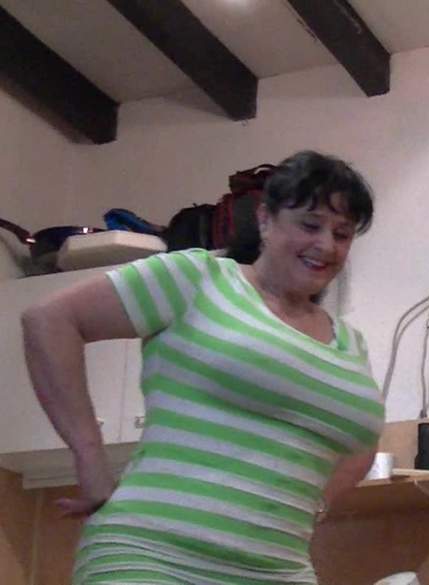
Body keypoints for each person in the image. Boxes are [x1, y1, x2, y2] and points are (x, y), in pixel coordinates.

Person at [21, 150, 384, 584]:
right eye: (310, 225)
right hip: (152, 555)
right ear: (265, 220)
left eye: (342, 234)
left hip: (279, 570)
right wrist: (89, 456)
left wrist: (316, 506)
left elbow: (360, 444)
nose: (326, 245)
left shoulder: (350, 344)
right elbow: (49, 320)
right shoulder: (199, 279)